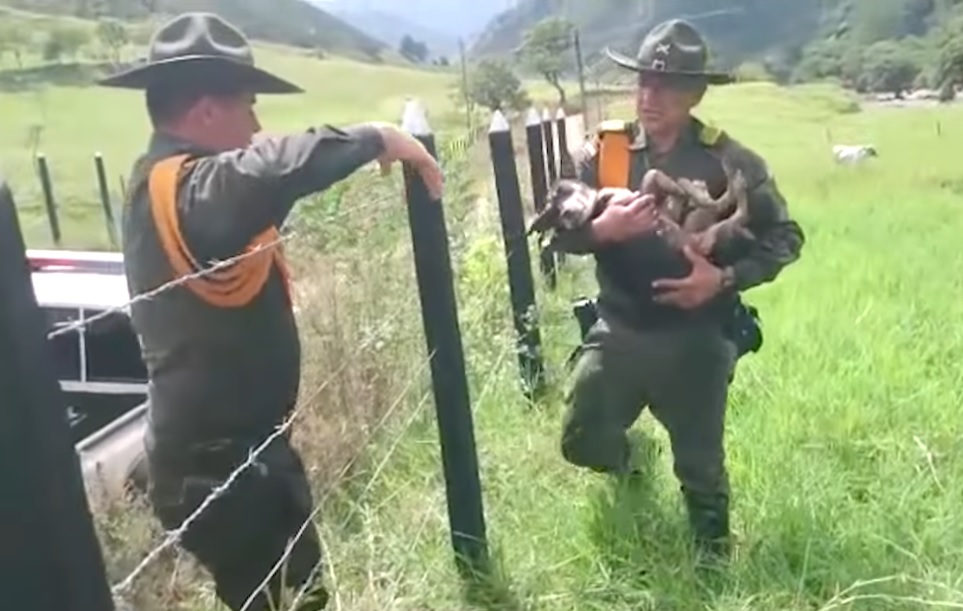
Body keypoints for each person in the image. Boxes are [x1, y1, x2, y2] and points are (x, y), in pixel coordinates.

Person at [97, 12, 443, 611]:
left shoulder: (185, 191)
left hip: (239, 458)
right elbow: (266, 172)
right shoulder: (189, 192)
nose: (257, 126)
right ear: (207, 111)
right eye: (248, 107)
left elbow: (259, 186)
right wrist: (375, 137)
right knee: (287, 599)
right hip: (222, 471)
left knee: (294, 595)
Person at [551, 19, 805, 560]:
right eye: (644, 80)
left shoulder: (731, 163)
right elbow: (558, 235)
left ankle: (712, 569)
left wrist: (724, 279)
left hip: (697, 335)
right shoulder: (606, 154)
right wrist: (602, 230)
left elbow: (785, 237)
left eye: (667, 85)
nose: (650, 95)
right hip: (620, 328)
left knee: (701, 471)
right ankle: (630, 465)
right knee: (580, 442)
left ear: (696, 94)